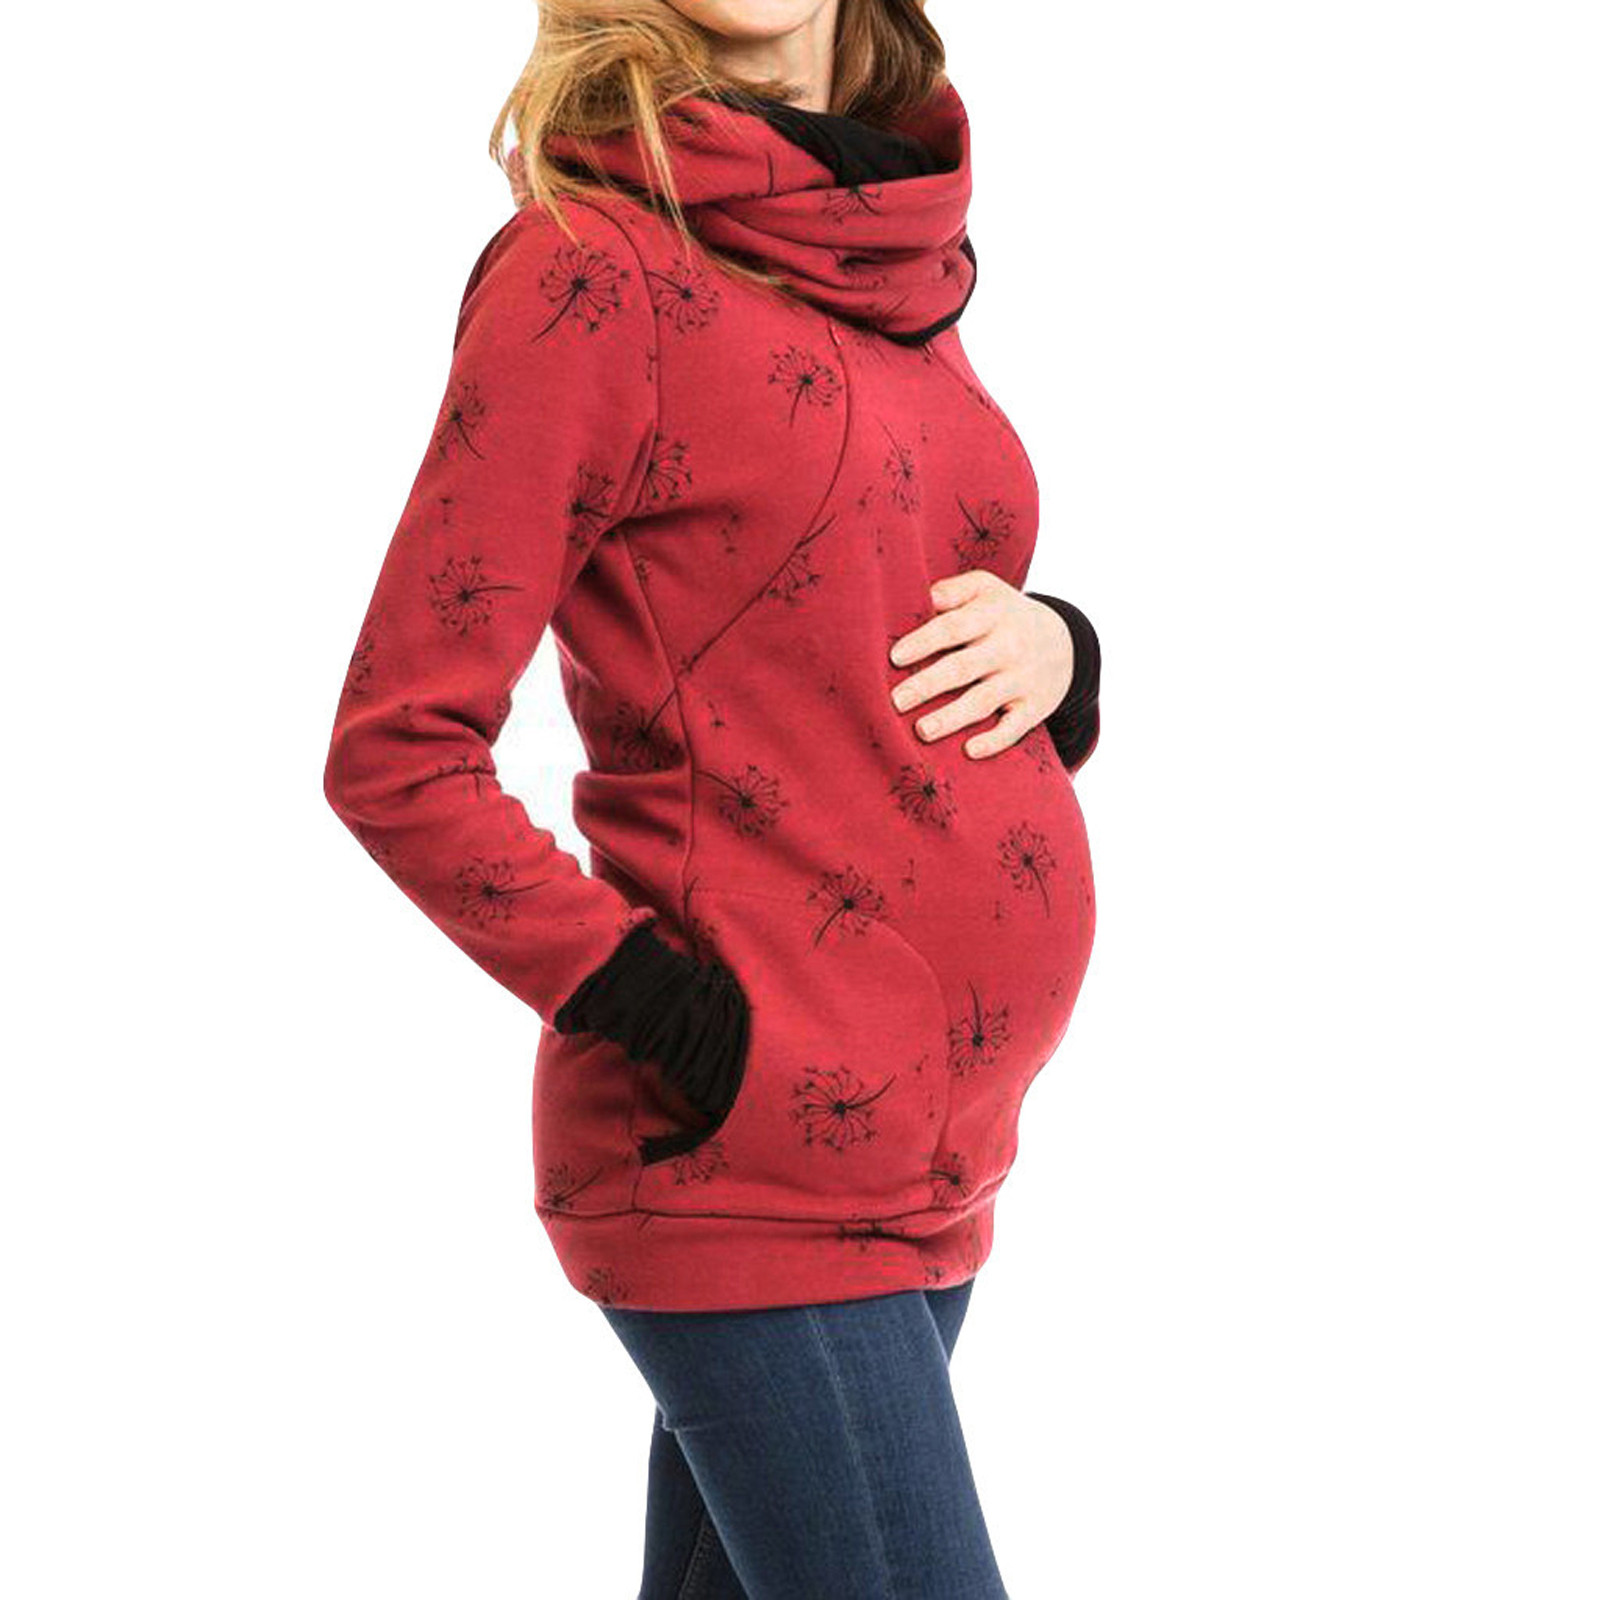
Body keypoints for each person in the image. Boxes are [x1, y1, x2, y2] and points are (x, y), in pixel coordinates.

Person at [323, 2, 1101, 1594]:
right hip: (749, 1162)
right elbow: (398, 748)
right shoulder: (592, 274)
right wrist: (684, 1023)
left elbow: (854, 619)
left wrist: (1061, 649)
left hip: (934, 1148)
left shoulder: (877, 239)